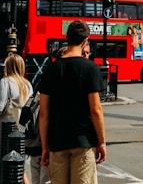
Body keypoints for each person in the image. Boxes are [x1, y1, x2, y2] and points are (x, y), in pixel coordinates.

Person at [39, 20, 106, 184]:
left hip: (57, 141)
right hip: (83, 141)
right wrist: (102, 142)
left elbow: (43, 113)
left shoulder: (51, 70)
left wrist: (45, 146)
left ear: (67, 39)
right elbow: (95, 110)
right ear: (85, 42)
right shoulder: (90, 68)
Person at [0, 54, 33, 124]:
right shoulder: (28, 84)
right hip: (22, 125)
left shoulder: (5, 81)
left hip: (7, 126)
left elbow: (1, 106)